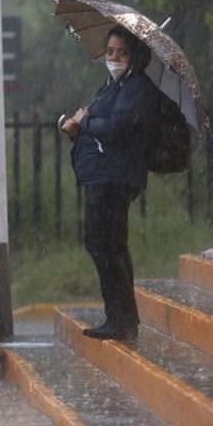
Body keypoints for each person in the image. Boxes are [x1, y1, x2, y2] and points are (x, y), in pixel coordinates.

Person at [59, 25, 160, 341]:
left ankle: (120, 319)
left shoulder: (137, 88)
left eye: (122, 52)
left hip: (114, 179)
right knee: (109, 244)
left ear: (135, 56)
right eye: (111, 52)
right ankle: (122, 317)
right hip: (102, 176)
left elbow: (118, 127)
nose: (114, 58)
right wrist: (76, 129)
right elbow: (103, 126)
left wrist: (85, 121)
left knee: (104, 244)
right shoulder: (112, 86)